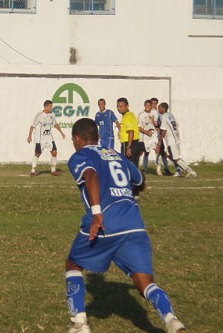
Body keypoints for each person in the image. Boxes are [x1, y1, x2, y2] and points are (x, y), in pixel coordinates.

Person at [65, 118, 187, 333]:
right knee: (145, 282)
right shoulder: (117, 155)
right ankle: (171, 319)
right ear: (98, 137)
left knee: (73, 265)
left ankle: (79, 324)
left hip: (105, 222)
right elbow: (140, 182)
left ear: (77, 139)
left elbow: (91, 175)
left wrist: (97, 214)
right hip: (134, 223)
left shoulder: (81, 155)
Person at [155, 102, 196, 178]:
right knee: (169, 155)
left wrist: (159, 143)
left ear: (163, 108)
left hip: (171, 140)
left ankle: (190, 171)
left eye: (159, 108)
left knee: (176, 158)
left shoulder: (164, 116)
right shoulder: (171, 115)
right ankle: (182, 169)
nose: (158, 109)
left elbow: (164, 131)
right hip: (176, 138)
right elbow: (176, 125)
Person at [27, 100, 65, 176]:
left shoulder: (53, 115)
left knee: (54, 152)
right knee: (37, 154)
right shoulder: (39, 115)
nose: (52, 108)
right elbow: (32, 126)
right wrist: (29, 136)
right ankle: (33, 171)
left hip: (49, 137)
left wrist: (61, 132)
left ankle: (53, 171)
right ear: (46, 107)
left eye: (52, 106)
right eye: (50, 106)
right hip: (40, 138)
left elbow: (55, 124)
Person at [117, 97, 142, 198]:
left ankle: (130, 192)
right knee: (133, 168)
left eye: (121, 106)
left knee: (126, 168)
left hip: (128, 144)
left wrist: (128, 147)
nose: (119, 108)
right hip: (135, 143)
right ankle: (135, 193)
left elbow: (130, 131)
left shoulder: (127, 116)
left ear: (127, 106)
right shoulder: (131, 115)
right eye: (118, 106)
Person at [151, 97, 172, 176]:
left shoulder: (159, 113)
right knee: (146, 152)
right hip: (150, 135)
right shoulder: (148, 113)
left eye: (155, 103)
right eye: (152, 103)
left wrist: (158, 128)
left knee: (161, 152)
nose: (154, 105)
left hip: (158, 135)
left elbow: (159, 124)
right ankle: (145, 169)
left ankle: (163, 168)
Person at [137, 99, 158, 173]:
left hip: (154, 135)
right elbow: (139, 127)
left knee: (157, 150)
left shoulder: (155, 113)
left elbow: (157, 124)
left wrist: (154, 122)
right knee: (143, 152)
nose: (147, 107)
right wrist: (146, 132)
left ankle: (158, 167)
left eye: (149, 105)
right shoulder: (141, 114)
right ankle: (143, 168)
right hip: (145, 136)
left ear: (151, 106)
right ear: (144, 106)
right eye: (146, 105)